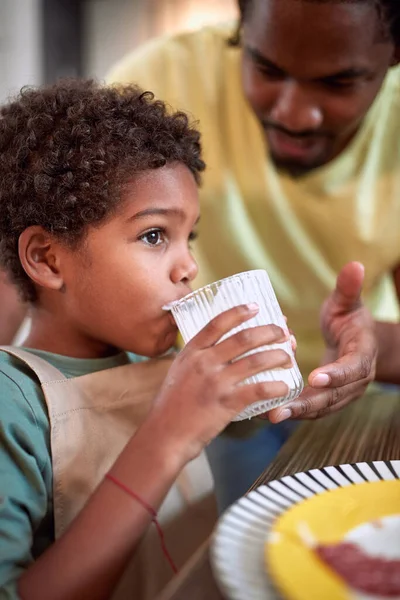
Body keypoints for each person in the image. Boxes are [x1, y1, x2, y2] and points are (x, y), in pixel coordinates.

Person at [0, 79, 297, 599]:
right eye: (155, 235)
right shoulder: (12, 403)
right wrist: (166, 437)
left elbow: (236, 429)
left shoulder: (150, 356)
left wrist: (262, 384)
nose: (189, 266)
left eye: (190, 236)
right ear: (48, 258)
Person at [106, 0, 400, 510]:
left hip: (369, 394)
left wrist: (374, 344)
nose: (293, 113)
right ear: (241, 25)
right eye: (266, 68)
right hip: (219, 397)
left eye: (338, 83)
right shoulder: (160, 80)